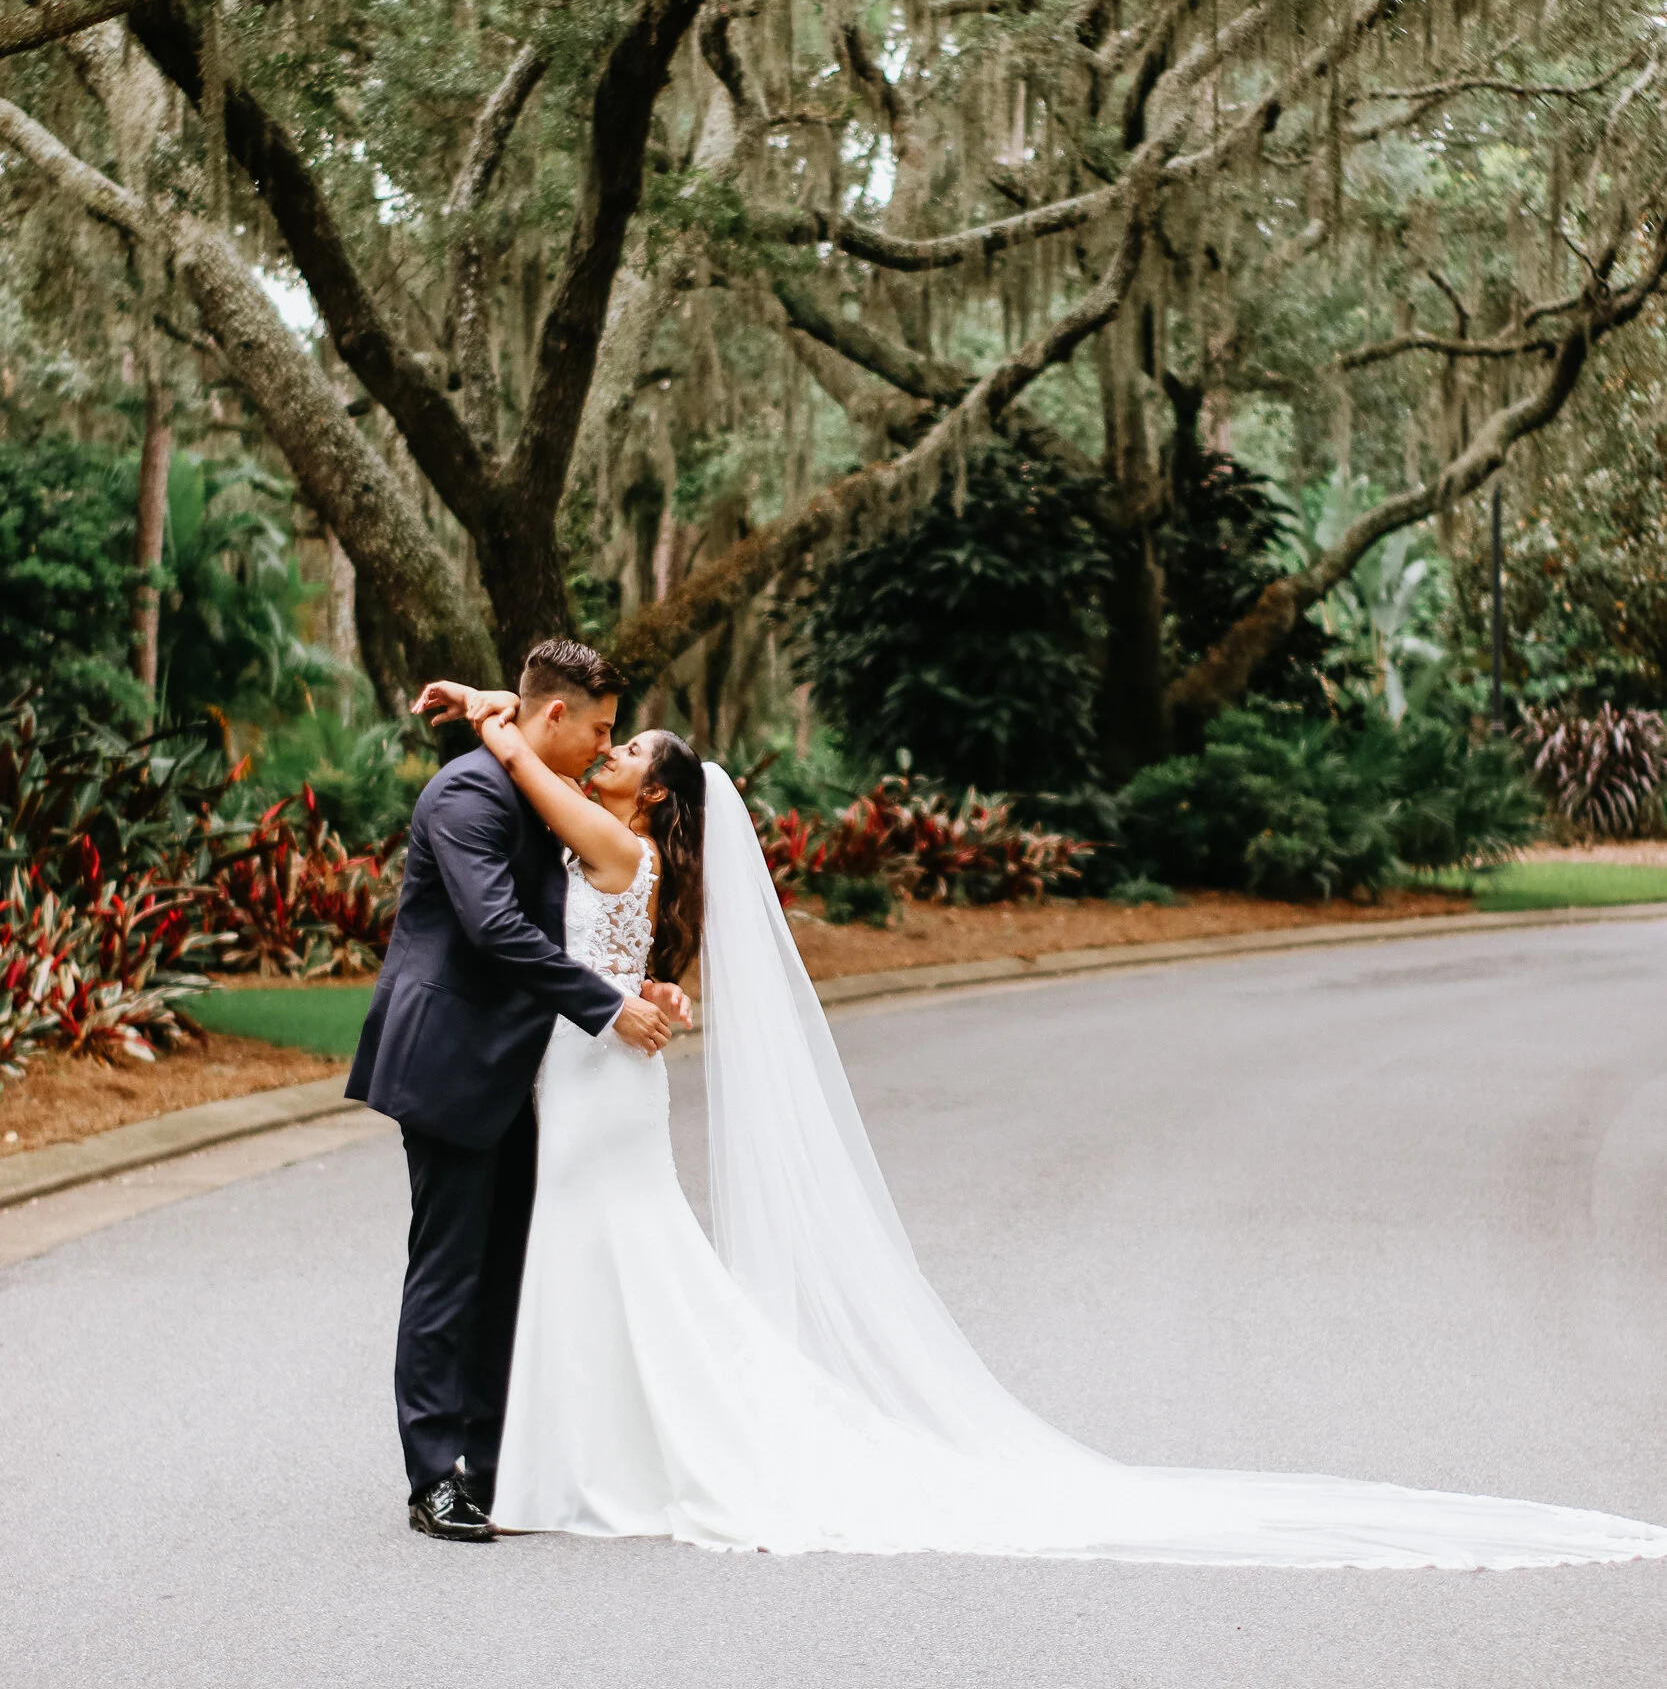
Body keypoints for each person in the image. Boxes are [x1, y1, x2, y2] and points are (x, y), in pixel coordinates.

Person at [400, 676, 1667, 1571]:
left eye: (623, 752)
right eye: (607, 742)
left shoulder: (614, 847)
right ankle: (555, 1458)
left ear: (654, 794)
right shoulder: (616, 850)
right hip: (587, 1073)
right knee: (597, 1254)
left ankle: (583, 1463)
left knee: (610, 1249)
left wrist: (491, 719)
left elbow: (531, 786)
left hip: (598, 1078)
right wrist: (503, 723)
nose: (605, 757)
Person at [346, 639, 690, 1542]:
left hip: (527, 1077)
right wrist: (608, 1008)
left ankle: (494, 1464)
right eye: (602, 730)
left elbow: (544, 719)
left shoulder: (543, 779)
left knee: (506, 1272)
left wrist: (636, 984)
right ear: (553, 721)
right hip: (453, 1060)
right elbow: (495, 929)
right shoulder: (465, 795)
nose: (604, 748)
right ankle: (433, 1479)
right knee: (449, 1273)